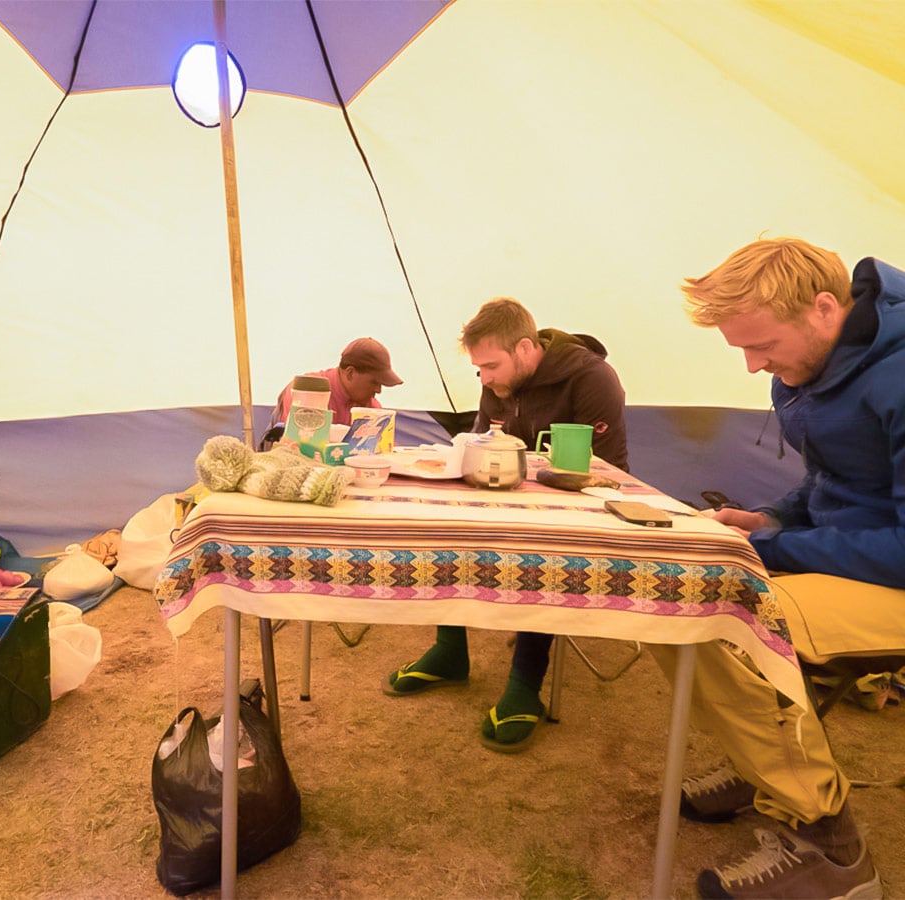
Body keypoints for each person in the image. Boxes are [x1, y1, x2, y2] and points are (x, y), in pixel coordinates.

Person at [675, 237, 902, 898]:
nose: (753, 368)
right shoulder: (804, 368)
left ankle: (834, 856)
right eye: (742, 350)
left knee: (733, 618)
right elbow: (833, 481)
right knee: (670, 597)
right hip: (854, 559)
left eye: (762, 346)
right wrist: (767, 519)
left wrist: (777, 549)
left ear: (825, 308)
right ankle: (762, 766)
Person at [383, 298, 628, 754]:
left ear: (524, 348)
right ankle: (450, 650)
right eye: (479, 370)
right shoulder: (497, 383)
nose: (486, 378)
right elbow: (482, 439)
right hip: (508, 493)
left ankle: (525, 683)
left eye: (491, 366)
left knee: (540, 543)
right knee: (446, 517)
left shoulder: (591, 377)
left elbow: (608, 469)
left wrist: (530, 477)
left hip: (571, 508)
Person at [269, 337, 403, 429]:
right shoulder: (306, 391)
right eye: (375, 382)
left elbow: (385, 451)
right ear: (350, 373)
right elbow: (299, 449)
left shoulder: (371, 406)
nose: (379, 391)